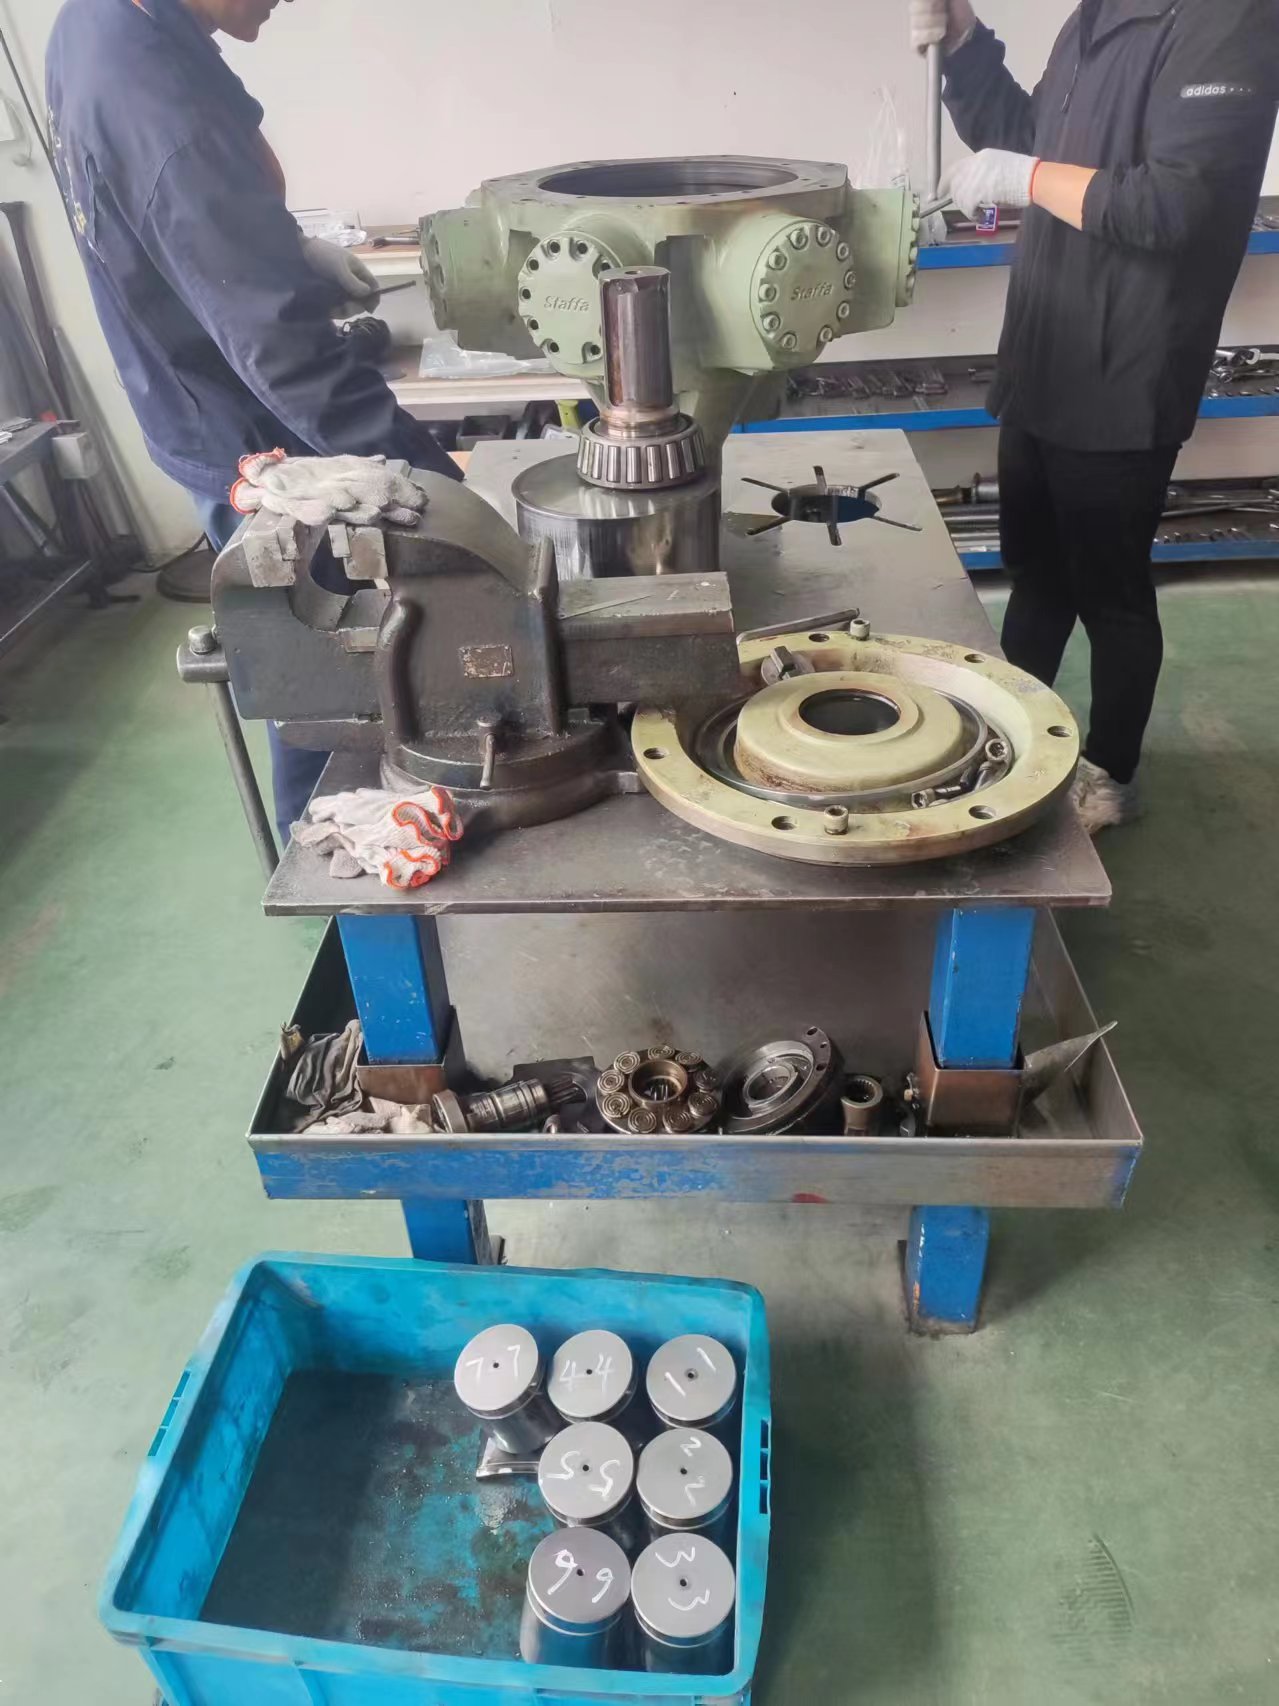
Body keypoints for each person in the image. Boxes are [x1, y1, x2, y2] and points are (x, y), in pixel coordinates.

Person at [46, 0, 463, 840]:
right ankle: (334, 869)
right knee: (320, 673)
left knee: (308, 655)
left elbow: (175, 222)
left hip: (199, 402)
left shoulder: (103, 20)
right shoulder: (156, 102)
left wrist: (279, 253)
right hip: (261, 446)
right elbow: (286, 356)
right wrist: (435, 490)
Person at [909, 0, 1279, 831]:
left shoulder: (1228, 21)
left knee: (1109, 592)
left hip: (1127, 365)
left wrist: (1023, 179)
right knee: (1035, 574)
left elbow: (1174, 205)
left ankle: (1111, 773)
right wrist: (964, 41)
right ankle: (1007, 742)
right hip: (1046, 348)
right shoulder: (1092, 19)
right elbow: (1026, 133)